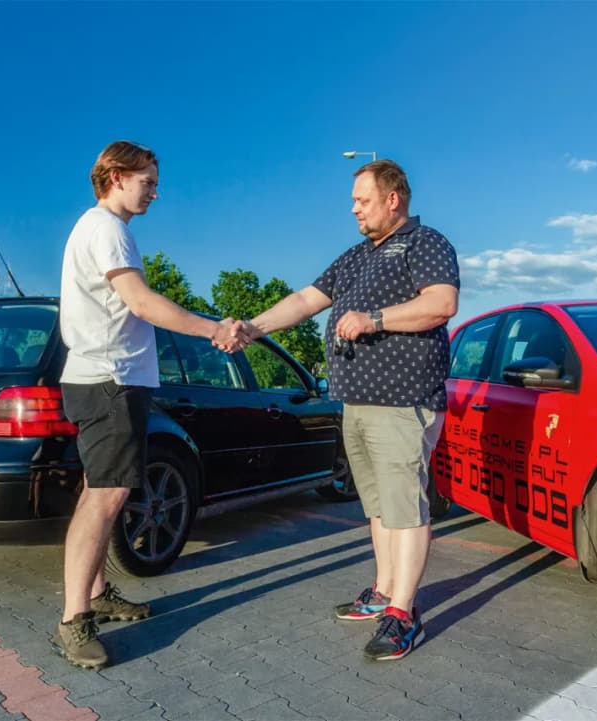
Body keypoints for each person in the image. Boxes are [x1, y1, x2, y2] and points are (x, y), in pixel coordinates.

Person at [245, 159, 459, 660]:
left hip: (403, 399)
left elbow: (441, 303)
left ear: (393, 199)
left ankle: (404, 614)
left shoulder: (426, 244)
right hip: (358, 401)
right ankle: (384, 590)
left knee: (406, 508)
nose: (354, 208)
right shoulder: (356, 256)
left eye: (362, 200)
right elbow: (305, 299)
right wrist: (253, 327)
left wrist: (374, 318)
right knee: (381, 507)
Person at [55, 140, 245, 669]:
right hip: (109, 381)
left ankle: (95, 593)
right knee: (107, 499)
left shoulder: (98, 229)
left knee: (100, 490)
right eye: (148, 181)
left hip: (109, 381)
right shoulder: (107, 229)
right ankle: (74, 621)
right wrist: (213, 329)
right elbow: (141, 302)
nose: (155, 192)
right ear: (116, 176)